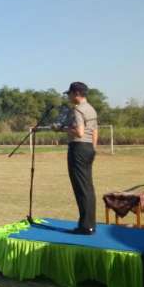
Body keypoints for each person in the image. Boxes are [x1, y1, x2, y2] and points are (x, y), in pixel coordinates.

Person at [56, 81, 98, 234]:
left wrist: (62, 128)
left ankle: (85, 226)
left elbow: (79, 132)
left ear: (76, 94)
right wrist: (93, 148)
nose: (68, 96)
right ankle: (90, 223)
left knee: (81, 188)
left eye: (70, 93)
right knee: (88, 187)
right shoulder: (91, 109)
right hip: (88, 148)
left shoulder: (78, 110)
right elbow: (94, 131)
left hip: (78, 148)